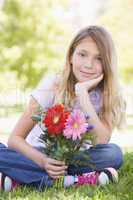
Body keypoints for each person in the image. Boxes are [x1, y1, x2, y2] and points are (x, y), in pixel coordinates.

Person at [0, 25, 125, 191]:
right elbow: (15, 139)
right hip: (39, 154)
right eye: (82, 54)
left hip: (76, 159)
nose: (88, 64)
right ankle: (74, 181)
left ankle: (19, 179)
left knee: (113, 154)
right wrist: (43, 161)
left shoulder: (110, 94)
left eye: (99, 58)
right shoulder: (52, 85)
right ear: (71, 56)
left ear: (107, 63)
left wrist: (83, 94)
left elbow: (101, 141)